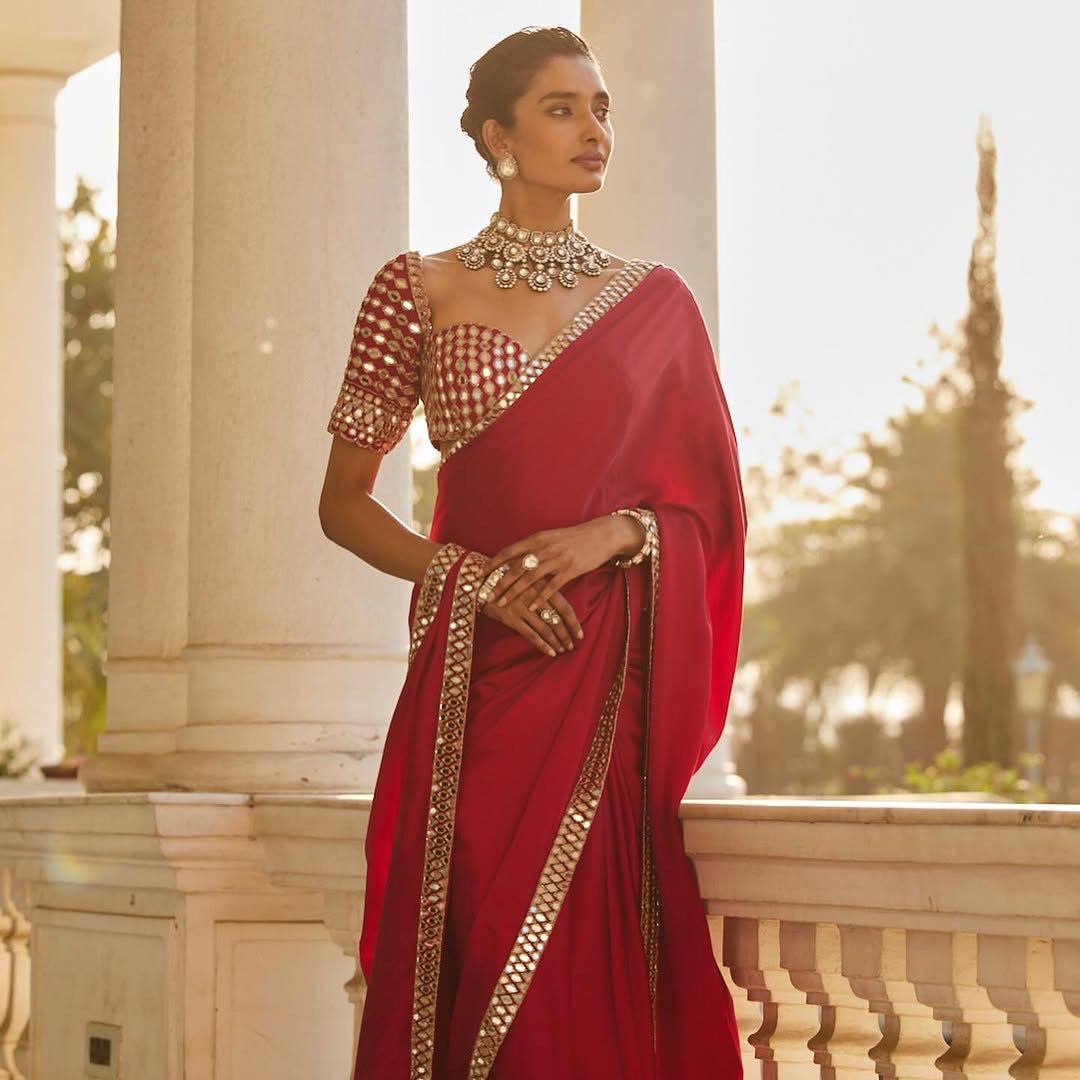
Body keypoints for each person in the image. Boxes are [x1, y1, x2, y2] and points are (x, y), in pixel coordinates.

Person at [318, 25, 747, 1080]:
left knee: (579, 969)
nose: (593, 129)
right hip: (474, 685)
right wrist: (471, 581)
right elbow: (343, 505)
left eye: (600, 108)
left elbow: (715, 511)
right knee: (467, 948)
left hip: (606, 685)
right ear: (498, 136)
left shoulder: (657, 306)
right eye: (563, 109)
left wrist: (619, 532)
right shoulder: (416, 289)